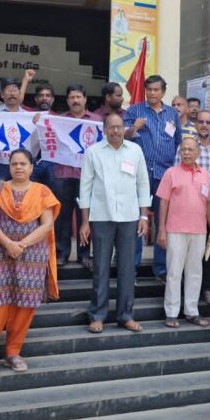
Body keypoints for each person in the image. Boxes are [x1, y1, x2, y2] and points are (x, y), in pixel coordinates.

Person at [0, 149, 60, 374]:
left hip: (32, 255)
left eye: (23, 164)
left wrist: (22, 244)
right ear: (9, 166)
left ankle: (13, 352)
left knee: (24, 304)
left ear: (31, 167)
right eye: (14, 164)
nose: (18, 167)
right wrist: (8, 244)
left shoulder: (42, 191)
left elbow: (47, 225)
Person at [79, 113, 150, 334]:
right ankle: (97, 315)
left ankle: (125, 315)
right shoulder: (93, 152)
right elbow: (85, 187)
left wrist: (144, 216)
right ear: (104, 129)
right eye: (111, 127)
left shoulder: (135, 150)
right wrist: (84, 222)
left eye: (119, 127)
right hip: (101, 217)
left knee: (127, 269)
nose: (116, 131)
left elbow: (143, 183)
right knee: (101, 268)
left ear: (124, 128)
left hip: (130, 217)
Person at [124, 75, 182, 278]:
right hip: (138, 174)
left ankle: (161, 268)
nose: (152, 93)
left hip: (164, 174)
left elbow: (178, 143)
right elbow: (121, 137)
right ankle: (132, 267)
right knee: (136, 219)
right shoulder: (134, 111)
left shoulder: (172, 114)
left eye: (156, 90)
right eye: (149, 89)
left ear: (163, 92)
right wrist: (134, 128)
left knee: (163, 221)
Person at [158, 137, 210, 328]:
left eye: (191, 149)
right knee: (174, 273)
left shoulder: (205, 175)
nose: (187, 153)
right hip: (175, 229)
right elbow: (163, 202)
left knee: (195, 273)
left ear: (197, 153)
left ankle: (191, 311)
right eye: (183, 149)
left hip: (199, 231)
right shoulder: (171, 173)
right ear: (179, 152)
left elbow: (208, 204)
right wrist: (161, 229)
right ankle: (171, 313)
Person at [177, 110, 210, 305]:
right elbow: (177, 176)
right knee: (190, 253)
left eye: (208, 122)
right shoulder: (187, 147)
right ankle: (189, 291)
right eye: (201, 122)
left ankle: (208, 288)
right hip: (191, 211)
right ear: (195, 124)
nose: (204, 125)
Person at [52, 85, 99, 267]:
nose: (75, 100)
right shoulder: (58, 121)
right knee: (62, 215)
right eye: (72, 97)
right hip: (63, 173)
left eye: (79, 97)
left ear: (85, 99)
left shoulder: (97, 121)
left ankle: (84, 255)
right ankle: (61, 253)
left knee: (85, 216)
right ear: (67, 100)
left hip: (87, 176)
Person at [30, 83, 56, 187]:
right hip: (32, 161)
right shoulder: (26, 116)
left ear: (52, 99)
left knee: (51, 192)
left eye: (48, 95)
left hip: (52, 162)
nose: (44, 98)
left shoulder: (60, 118)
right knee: (31, 192)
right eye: (41, 95)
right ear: (36, 99)